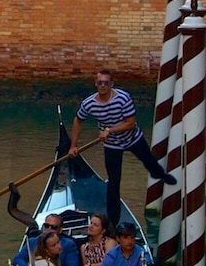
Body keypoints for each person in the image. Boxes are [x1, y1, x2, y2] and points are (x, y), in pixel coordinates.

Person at [74, 69, 177, 225]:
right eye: (100, 82)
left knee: (149, 161)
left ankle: (160, 174)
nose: (103, 86)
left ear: (111, 84)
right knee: (114, 183)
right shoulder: (89, 103)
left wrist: (109, 130)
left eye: (106, 83)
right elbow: (78, 120)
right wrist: (73, 145)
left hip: (132, 138)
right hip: (112, 145)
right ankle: (113, 221)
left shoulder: (123, 98)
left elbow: (130, 123)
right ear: (96, 84)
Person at [11, 214, 79, 266]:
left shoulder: (69, 244)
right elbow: (18, 259)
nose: (49, 229)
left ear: (60, 230)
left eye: (53, 227)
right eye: (46, 225)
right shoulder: (32, 242)